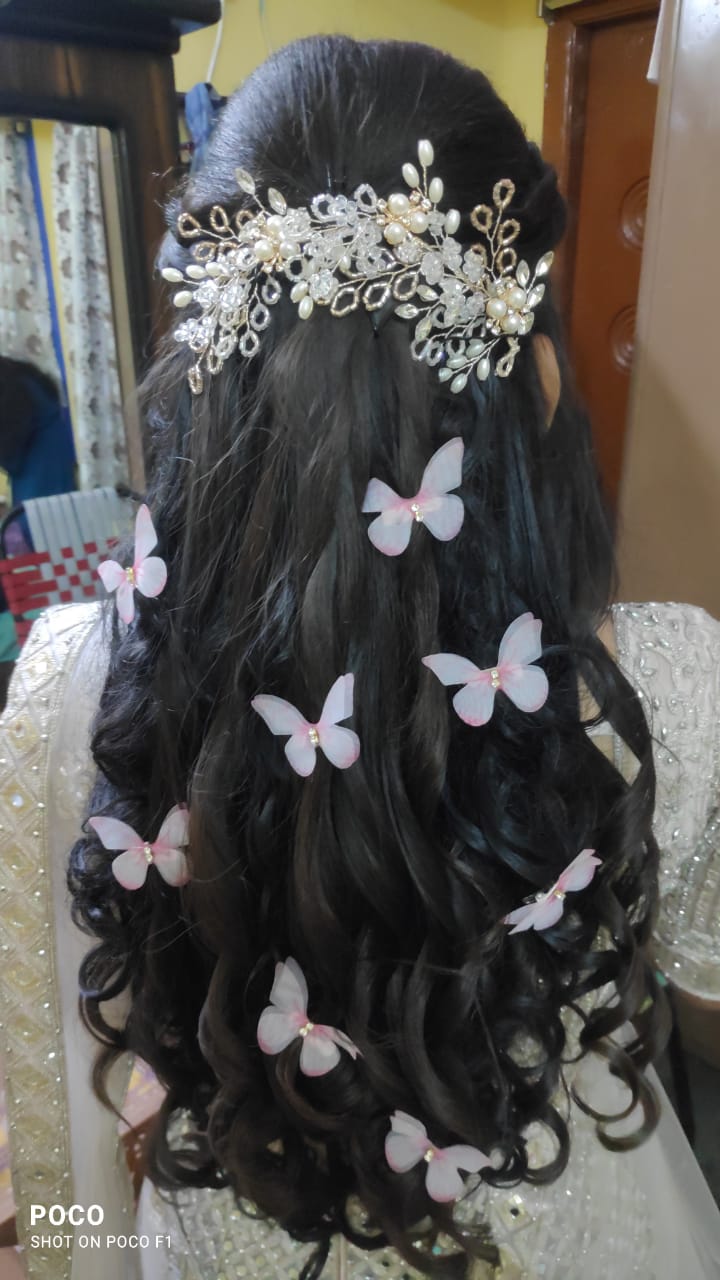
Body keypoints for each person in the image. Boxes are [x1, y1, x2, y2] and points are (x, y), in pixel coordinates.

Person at [0, 34, 719, 1280]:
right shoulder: (680, 685)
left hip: (231, 1221)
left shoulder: (68, 676)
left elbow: (55, 1062)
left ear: (208, 377)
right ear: (541, 375)